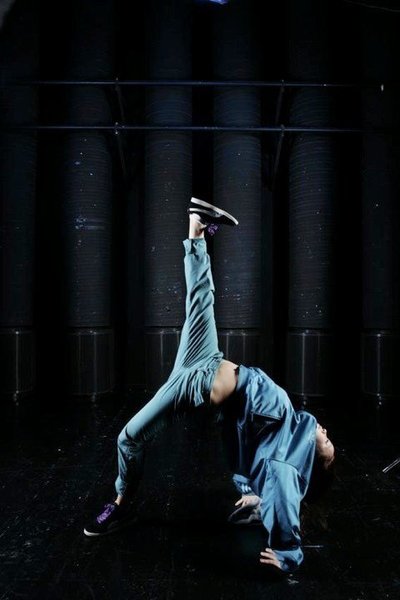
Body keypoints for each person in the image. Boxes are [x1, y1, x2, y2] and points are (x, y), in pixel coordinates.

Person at [83, 197, 335, 574]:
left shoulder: (286, 460)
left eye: (328, 445)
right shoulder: (290, 424)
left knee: (128, 438)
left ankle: (121, 505)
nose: (326, 432)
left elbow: (284, 488)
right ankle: (199, 227)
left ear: (313, 462)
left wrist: (288, 552)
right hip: (207, 361)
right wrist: (255, 495)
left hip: (196, 386)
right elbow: (257, 463)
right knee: (200, 298)